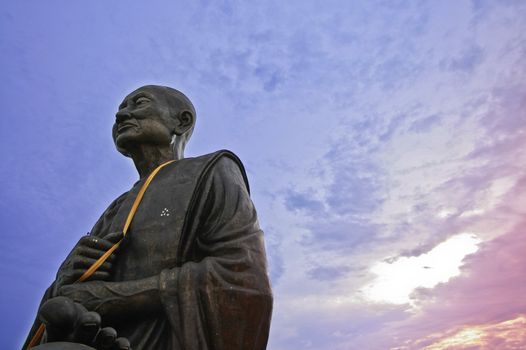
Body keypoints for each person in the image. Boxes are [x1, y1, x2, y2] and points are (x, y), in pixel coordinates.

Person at [24, 85, 273, 350]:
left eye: (138, 103)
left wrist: (116, 298)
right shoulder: (117, 206)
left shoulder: (210, 172)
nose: (121, 116)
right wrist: (66, 278)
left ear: (182, 120)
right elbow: (71, 297)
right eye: (119, 110)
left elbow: (243, 278)